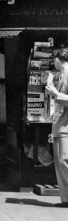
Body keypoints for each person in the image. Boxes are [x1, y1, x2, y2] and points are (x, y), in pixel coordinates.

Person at [45, 49, 68, 208]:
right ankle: (66, 199)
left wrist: (53, 92)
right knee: (61, 163)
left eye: (55, 59)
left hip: (64, 126)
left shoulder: (66, 75)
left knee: (63, 162)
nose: (54, 62)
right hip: (61, 125)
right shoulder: (62, 75)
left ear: (60, 59)